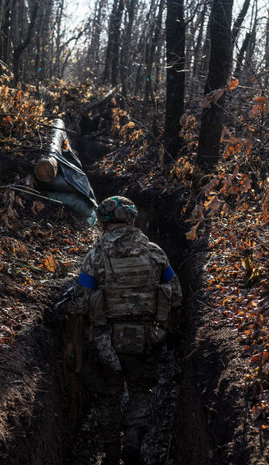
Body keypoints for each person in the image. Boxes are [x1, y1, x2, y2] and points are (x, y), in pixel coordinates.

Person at [71, 196, 182, 465]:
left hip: (107, 340)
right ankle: (133, 437)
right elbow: (176, 294)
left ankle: (110, 456)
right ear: (132, 220)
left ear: (103, 224)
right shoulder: (154, 252)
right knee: (140, 391)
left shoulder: (96, 255)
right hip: (146, 338)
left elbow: (80, 301)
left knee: (109, 398)